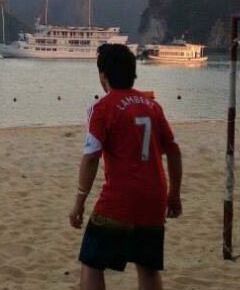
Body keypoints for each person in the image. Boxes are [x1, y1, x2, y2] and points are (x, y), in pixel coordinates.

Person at [69, 43, 183, 290]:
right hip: (154, 198)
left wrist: (79, 202)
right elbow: (173, 150)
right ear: (133, 73)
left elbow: (91, 158)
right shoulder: (153, 106)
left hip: (118, 201)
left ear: (103, 76)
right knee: (148, 267)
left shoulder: (102, 108)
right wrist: (174, 193)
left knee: (91, 262)